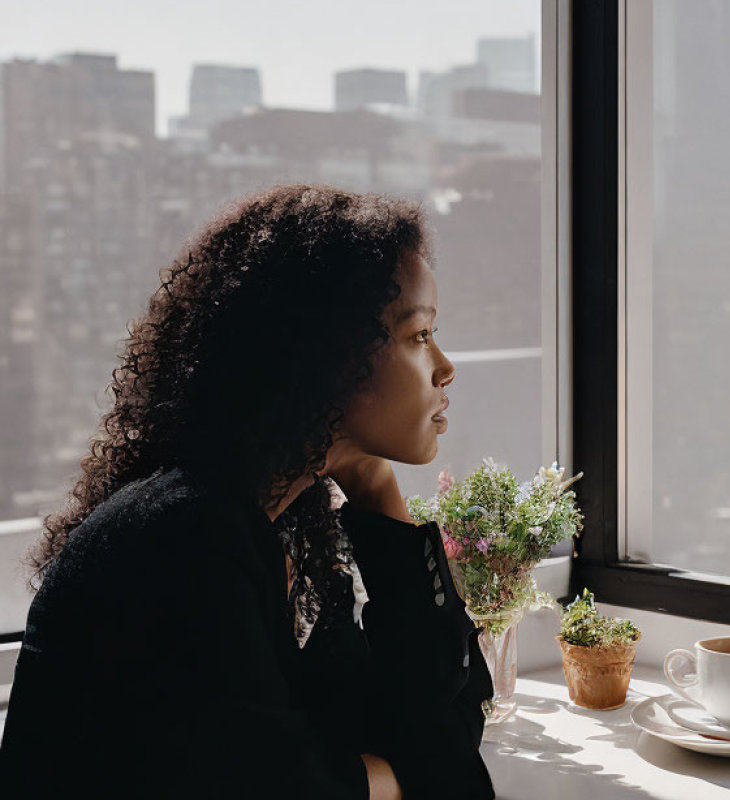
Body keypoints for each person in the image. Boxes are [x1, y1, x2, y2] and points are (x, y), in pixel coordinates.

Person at [0, 185, 495, 799]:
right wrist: (409, 779)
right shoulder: (180, 541)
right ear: (328, 356)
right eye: (419, 335)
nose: (444, 368)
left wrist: (372, 485)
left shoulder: (289, 535)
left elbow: (440, 720)